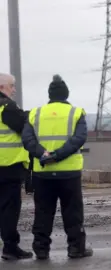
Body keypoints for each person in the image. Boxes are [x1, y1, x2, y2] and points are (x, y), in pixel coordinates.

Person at [22, 74, 93, 260]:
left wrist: (43, 155)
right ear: (66, 94)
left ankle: (41, 249)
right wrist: (58, 155)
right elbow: (79, 138)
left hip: (42, 173)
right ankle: (76, 248)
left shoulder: (35, 113)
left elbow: (27, 139)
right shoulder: (76, 113)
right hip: (69, 173)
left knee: (43, 212)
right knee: (73, 212)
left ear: (49, 95)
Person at [0, 73, 33, 260]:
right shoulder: (6, 107)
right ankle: (10, 247)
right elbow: (24, 125)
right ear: (2, 87)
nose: (14, 90)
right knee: (9, 209)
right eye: (11, 86)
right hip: (8, 166)